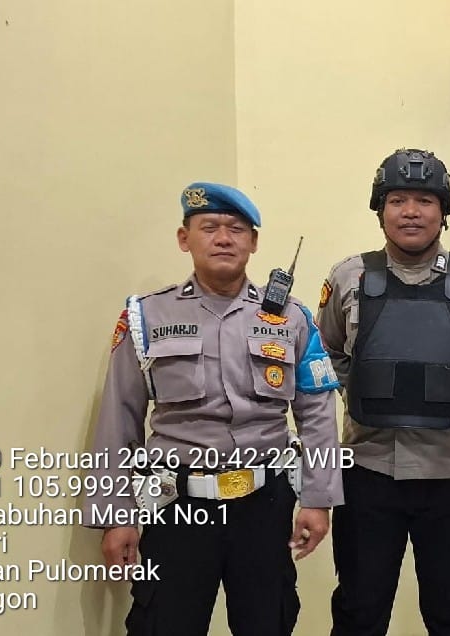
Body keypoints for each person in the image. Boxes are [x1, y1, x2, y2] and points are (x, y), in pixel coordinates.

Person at [83, 182, 344, 636]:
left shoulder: (293, 318)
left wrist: (318, 499)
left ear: (253, 242)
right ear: (184, 238)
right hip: (177, 507)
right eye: (209, 228)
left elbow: (317, 415)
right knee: (163, 624)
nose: (224, 238)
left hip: (264, 505)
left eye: (236, 229)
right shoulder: (146, 317)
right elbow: (118, 418)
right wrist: (115, 514)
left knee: (268, 622)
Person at [317, 148, 450, 636]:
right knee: (359, 609)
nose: (411, 212)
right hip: (368, 470)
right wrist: (362, 392)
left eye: (425, 200)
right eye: (398, 200)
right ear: (380, 210)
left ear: (443, 211)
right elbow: (325, 350)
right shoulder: (347, 276)